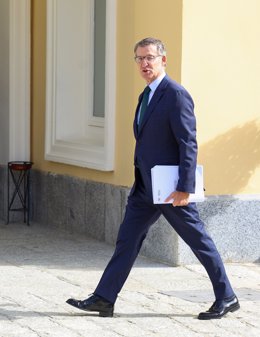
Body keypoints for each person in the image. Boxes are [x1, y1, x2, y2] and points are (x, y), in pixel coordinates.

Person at [66, 37, 240, 319]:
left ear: (163, 60)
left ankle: (227, 297)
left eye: (150, 58)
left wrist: (185, 187)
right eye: (139, 58)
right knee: (127, 241)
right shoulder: (145, 95)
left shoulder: (175, 94)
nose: (144, 63)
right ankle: (104, 298)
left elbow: (188, 142)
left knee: (199, 241)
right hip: (146, 188)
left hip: (171, 190)